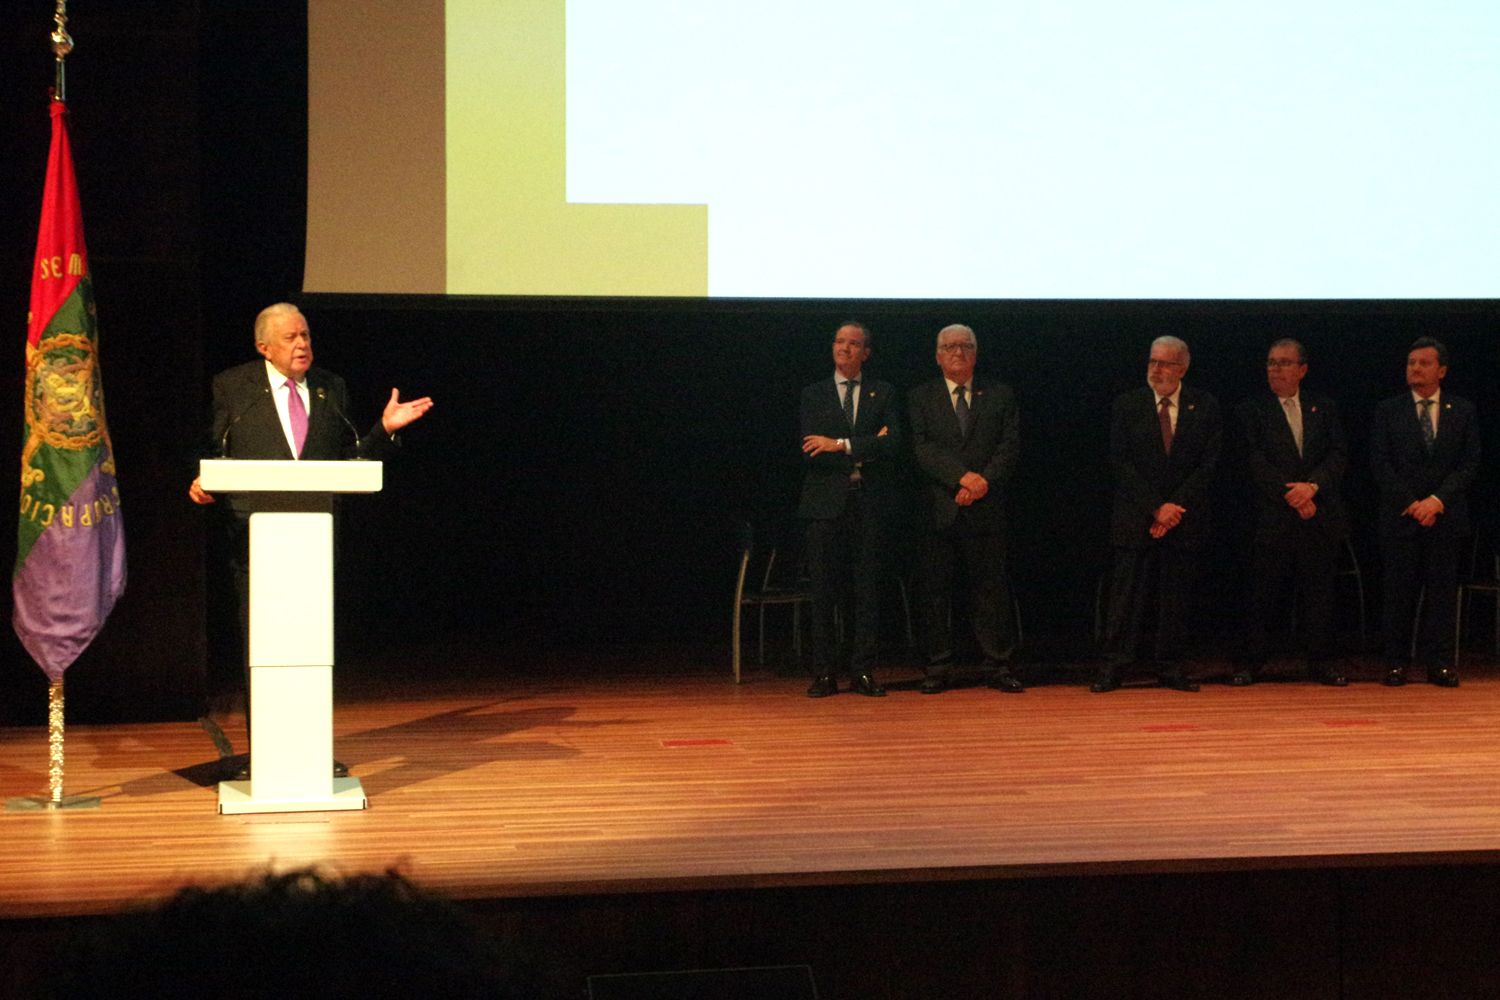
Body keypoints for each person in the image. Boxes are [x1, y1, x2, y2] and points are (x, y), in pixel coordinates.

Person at [190, 303, 433, 775]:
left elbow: (348, 459)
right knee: (261, 646)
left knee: (312, 645)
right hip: (255, 536)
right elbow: (210, 449)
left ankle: (309, 749)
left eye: (305, 335)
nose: (302, 345)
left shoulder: (329, 387)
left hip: (315, 537)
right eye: (290, 338)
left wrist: (382, 430)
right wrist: (200, 481)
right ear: (264, 347)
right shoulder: (234, 386)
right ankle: (266, 756)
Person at [1095, 335, 1221, 693]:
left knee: (1175, 597)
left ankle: (1170, 665)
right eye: (1152, 361)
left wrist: (1173, 508)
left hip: (1183, 518)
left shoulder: (1205, 405)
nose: (1156, 369)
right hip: (1137, 517)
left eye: (1165, 363)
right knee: (1126, 598)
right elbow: (1120, 463)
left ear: (1182, 367)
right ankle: (1113, 666)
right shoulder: (1127, 404)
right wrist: (1156, 507)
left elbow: (1207, 464)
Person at [907, 324, 1022, 694]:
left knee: (991, 591)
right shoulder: (920, 396)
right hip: (939, 509)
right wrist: (961, 478)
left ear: (976, 352)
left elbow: (1008, 445)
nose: (958, 352)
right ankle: (937, 667)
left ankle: (997, 665)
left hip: (986, 507)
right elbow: (922, 448)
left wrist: (982, 481)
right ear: (937, 355)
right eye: (949, 346)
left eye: (965, 346)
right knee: (935, 591)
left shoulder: (1000, 394)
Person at [1233, 339, 1350, 686]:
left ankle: (1320, 662)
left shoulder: (1323, 407)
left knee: (1319, 594)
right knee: (1263, 594)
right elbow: (1254, 461)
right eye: (1270, 363)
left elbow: (1338, 454)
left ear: (1302, 369)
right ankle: (1252, 662)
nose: (1275, 369)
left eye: (1284, 363)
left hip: (1319, 514)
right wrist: (1294, 495)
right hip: (1273, 516)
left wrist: (1312, 487)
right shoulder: (1251, 410)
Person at [797, 322, 901, 697]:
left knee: (866, 592)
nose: (845, 348)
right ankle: (824, 673)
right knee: (824, 592)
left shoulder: (883, 392)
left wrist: (839, 444)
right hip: (825, 506)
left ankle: (863, 672)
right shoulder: (815, 394)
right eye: (839, 341)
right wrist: (868, 443)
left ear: (866, 353)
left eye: (854, 344)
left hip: (869, 504)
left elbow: (894, 445)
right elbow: (811, 448)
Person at [1370, 337, 1480, 687]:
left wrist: (1436, 501)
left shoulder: (1462, 410)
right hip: (1402, 517)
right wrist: (1412, 503)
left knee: (1441, 595)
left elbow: (1469, 463)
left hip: (1444, 517)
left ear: (1441, 370)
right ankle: (1396, 663)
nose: (1415, 368)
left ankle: (1441, 663)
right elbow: (1380, 463)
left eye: (1423, 363)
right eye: (1410, 362)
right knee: (1399, 594)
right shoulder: (1389, 410)